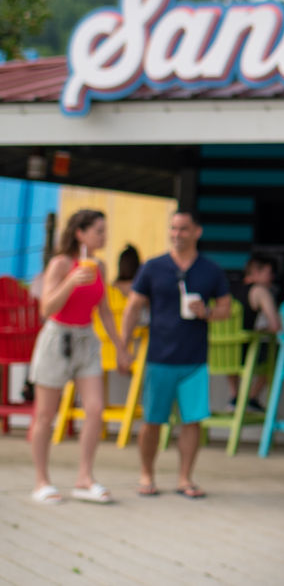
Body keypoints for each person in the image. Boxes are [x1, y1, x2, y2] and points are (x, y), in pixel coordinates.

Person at [121, 211, 231, 500]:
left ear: (197, 232)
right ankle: (146, 475)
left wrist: (206, 313)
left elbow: (226, 309)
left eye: (183, 229)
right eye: (173, 228)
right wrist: (124, 345)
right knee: (152, 421)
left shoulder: (211, 270)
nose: (177, 234)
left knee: (192, 421)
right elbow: (133, 308)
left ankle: (185, 478)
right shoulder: (153, 267)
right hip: (159, 357)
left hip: (194, 359)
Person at [28, 209, 129, 504]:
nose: (104, 236)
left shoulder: (100, 265)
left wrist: (121, 346)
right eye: (98, 230)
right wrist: (71, 281)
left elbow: (106, 312)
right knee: (46, 415)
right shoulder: (60, 264)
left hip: (87, 339)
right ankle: (41, 481)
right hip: (57, 337)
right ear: (80, 234)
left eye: (104, 230)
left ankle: (84, 478)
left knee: (95, 409)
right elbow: (46, 308)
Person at [226, 254, 280, 412]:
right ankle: (251, 398)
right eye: (269, 273)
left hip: (222, 353)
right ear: (256, 272)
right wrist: (263, 330)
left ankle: (235, 397)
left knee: (232, 346)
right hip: (246, 353)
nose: (272, 277)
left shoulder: (228, 289)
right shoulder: (259, 291)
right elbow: (275, 326)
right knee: (277, 355)